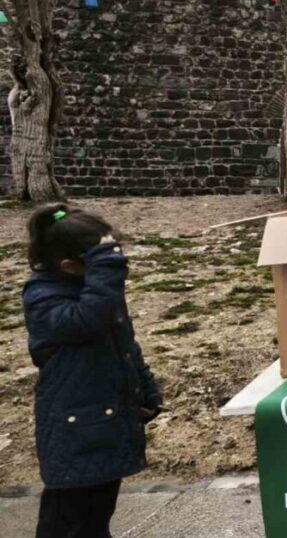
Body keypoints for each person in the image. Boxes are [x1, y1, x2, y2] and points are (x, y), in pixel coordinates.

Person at [23, 204, 162, 538]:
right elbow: (88, 320)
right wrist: (106, 274)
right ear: (69, 266)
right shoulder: (42, 298)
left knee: (96, 514)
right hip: (74, 432)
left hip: (106, 420)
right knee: (66, 521)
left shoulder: (96, 291)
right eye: (101, 265)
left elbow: (124, 342)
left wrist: (145, 387)